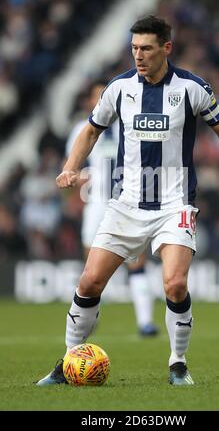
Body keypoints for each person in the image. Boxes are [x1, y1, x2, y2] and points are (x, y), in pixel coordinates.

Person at [36, 15, 219, 386]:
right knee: (88, 283)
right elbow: (90, 130)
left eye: (147, 48)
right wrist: (71, 166)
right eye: (134, 48)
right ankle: (68, 362)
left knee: (174, 285)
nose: (139, 55)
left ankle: (178, 364)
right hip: (127, 204)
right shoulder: (119, 88)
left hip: (175, 203)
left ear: (166, 48)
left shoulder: (191, 88)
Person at [65, 80, 158, 336]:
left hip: (126, 204)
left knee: (136, 262)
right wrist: (79, 176)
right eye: (96, 97)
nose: (100, 101)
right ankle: (87, 324)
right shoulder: (81, 129)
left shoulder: (129, 125)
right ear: (88, 101)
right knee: (91, 271)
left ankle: (145, 322)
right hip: (96, 204)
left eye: (103, 96)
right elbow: (71, 166)